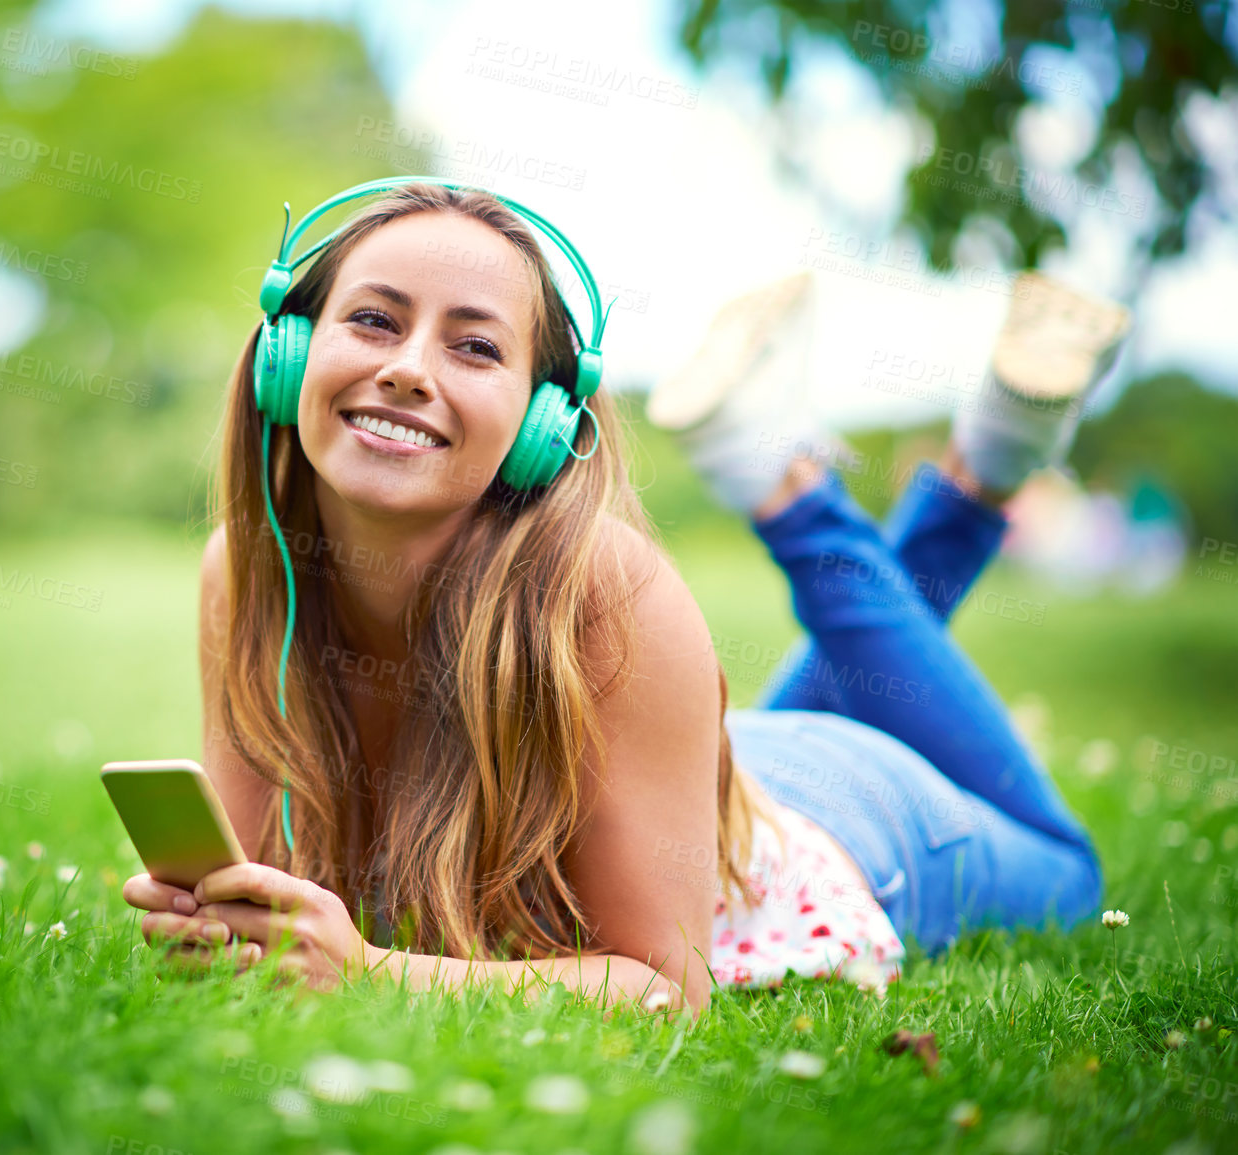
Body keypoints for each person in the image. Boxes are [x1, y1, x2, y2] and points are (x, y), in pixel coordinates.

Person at [119, 179, 1127, 1019]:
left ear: (539, 422)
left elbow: (666, 990)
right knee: (831, 692)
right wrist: (232, 925)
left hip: (857, 823)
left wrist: (372, 971)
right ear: (290, 354)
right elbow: (269, 891)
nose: (405, 370)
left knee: (1069, 873)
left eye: (475, 348)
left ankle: (792, 486)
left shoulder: (601, 590)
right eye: (374, 320)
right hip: (703, 779)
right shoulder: (247, 567)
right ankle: (985, 456)